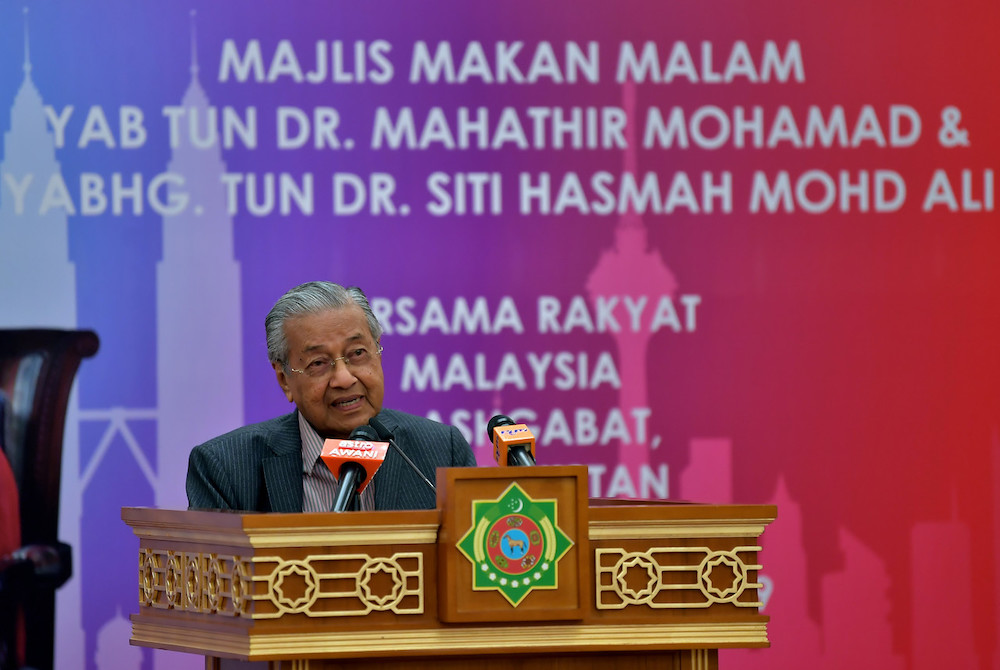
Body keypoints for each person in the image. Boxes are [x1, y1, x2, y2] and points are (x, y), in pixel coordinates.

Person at [186, 281, 477, 512]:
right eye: (318, 363)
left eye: (357, 354)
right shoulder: (224, 468)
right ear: (284, 379)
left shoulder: (441, 451)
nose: (344, 378)